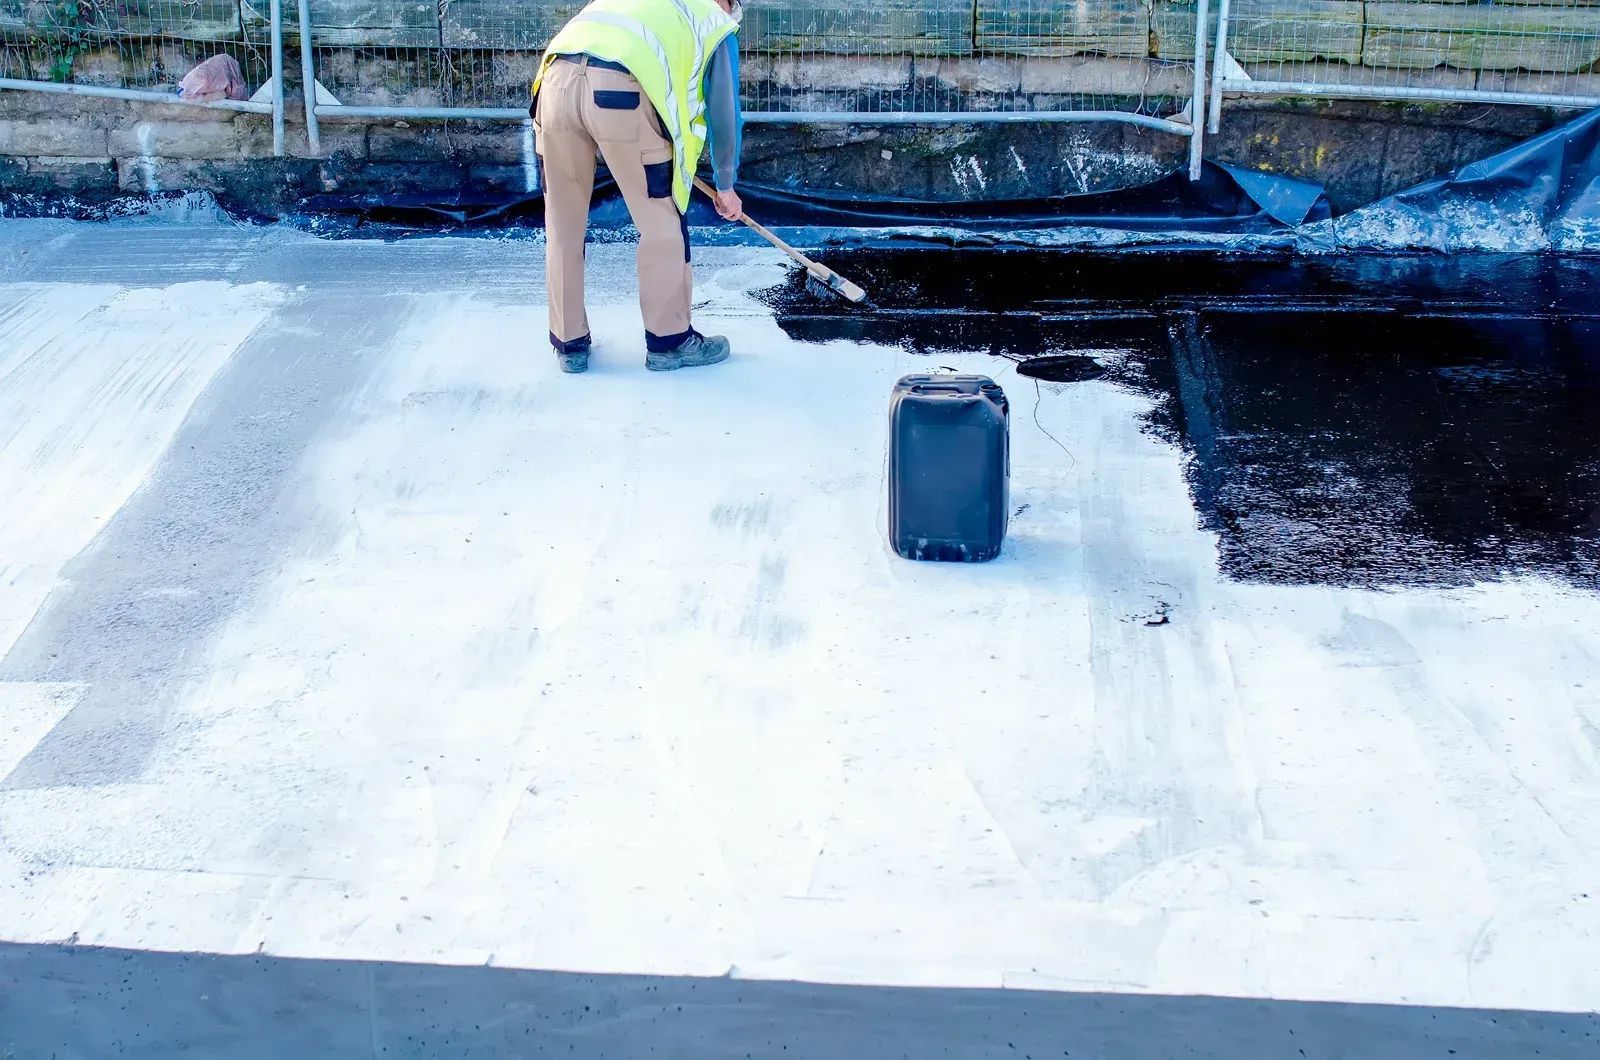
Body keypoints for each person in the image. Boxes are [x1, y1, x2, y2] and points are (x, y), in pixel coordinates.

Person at [532, 0, 746, 374]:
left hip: (554, 87)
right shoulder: (714, 21)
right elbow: (723, 111)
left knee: (563, 223)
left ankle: (569, 345)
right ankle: (670, 343)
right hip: (620, 94)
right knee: (660, 219)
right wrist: (726, 185)